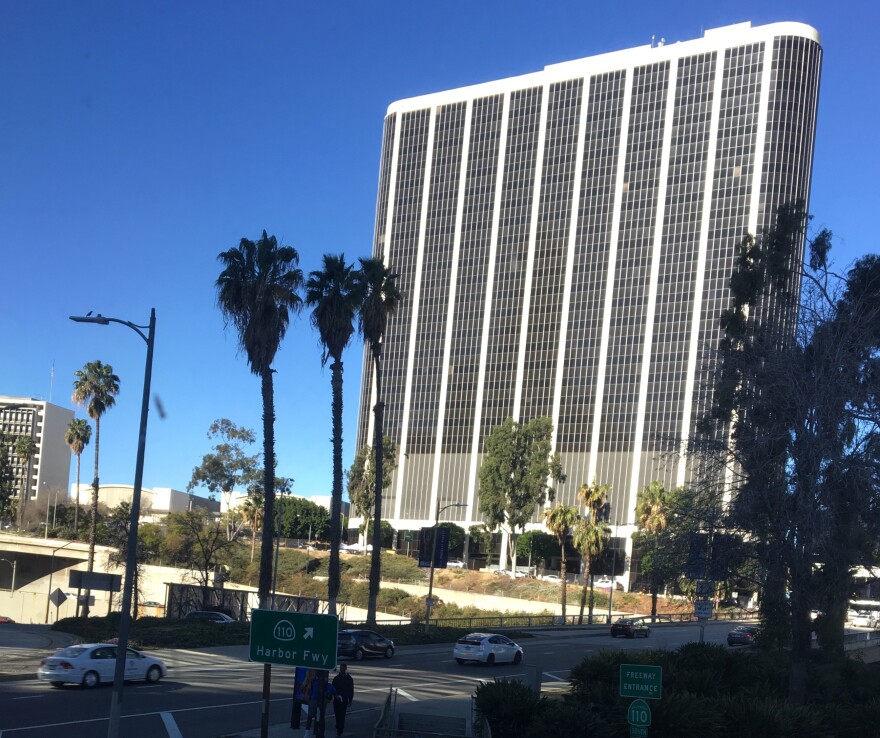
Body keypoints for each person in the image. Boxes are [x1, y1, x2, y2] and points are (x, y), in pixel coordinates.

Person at [331, 663, 354, 737]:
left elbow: (351, 690)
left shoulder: (349, 679)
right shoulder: (336, 678)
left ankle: (340, 729)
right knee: (337, 714)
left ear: (345, 668)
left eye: (343, 668)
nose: (341, 669)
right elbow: (333, 689)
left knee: (342, 715)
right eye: (340, 668)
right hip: (337, 699)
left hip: (344, 700)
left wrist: (350, 700)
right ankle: (338, 726)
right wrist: (334, 696)